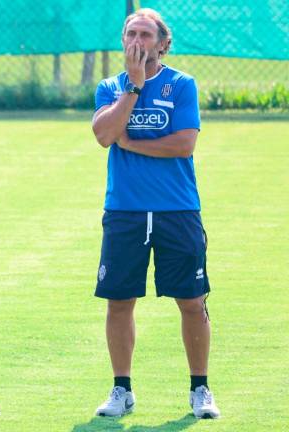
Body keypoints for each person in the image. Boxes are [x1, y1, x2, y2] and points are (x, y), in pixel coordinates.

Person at [91, 8, 220, 419]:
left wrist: (131, 145)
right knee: (119, 301)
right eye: (131, 33)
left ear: (162, 43)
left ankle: (200, 388)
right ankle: (121, 389)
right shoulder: (110, 86)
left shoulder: (182, 85)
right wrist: (132, 87)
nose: (137, 41)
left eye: (146, 34)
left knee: (191, 301)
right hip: (124, 211)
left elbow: (183, 144)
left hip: (177, 209)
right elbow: (104, 135)